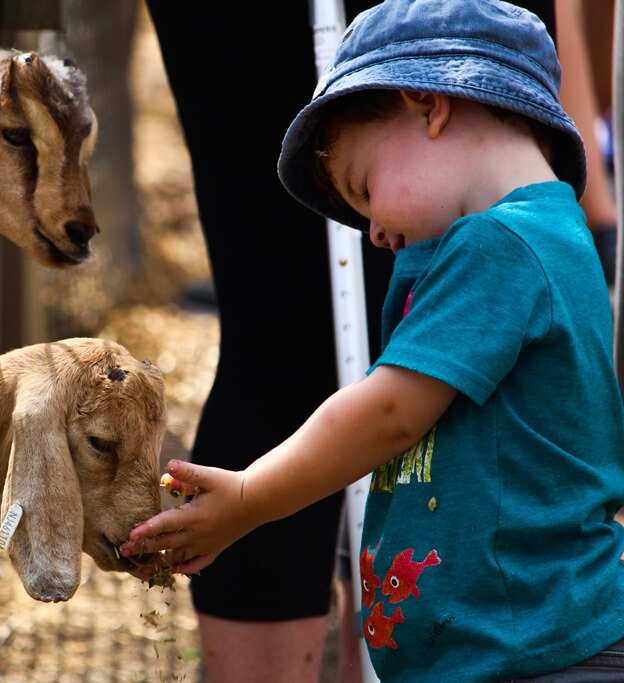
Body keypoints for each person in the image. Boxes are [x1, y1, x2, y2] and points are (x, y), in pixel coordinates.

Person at [125, 1, 624, 680]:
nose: (376, 236)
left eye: (364, 189)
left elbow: (387, 411)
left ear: (430, 107)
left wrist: (248, 498)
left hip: (530, 653)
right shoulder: (543, 235)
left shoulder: (498, 247)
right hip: (520, 641)